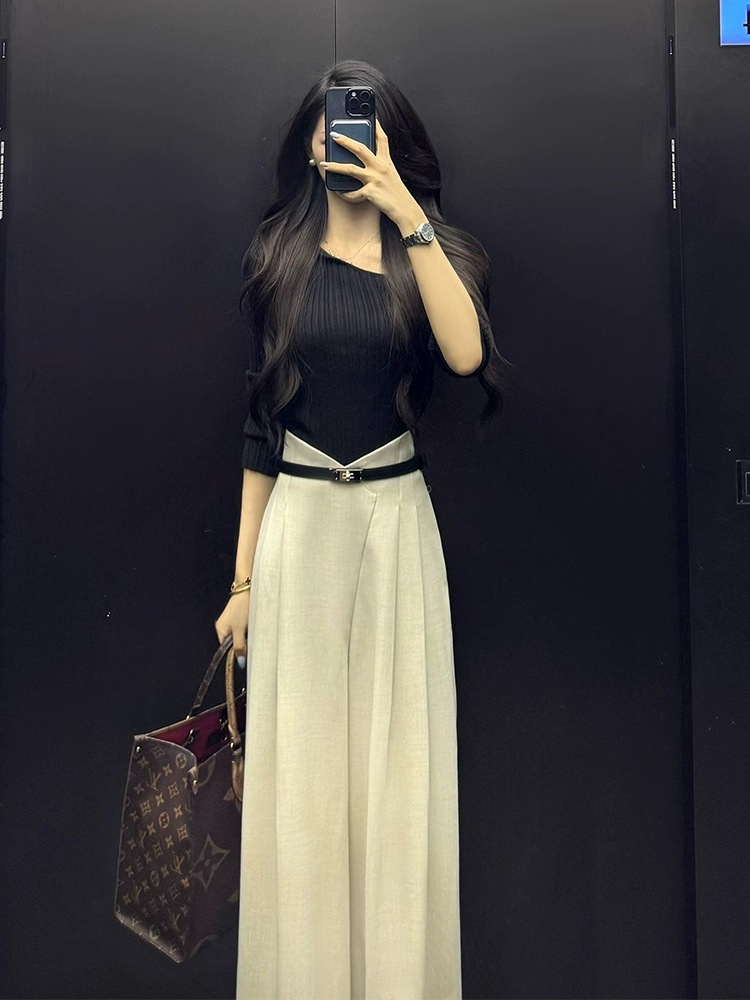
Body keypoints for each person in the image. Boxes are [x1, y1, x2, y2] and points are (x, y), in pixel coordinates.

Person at [215, 59, 508, 1000]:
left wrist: (402, 207)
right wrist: (241, 584)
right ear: (311, 146)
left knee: (399, 782)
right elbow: (260, 428)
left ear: (388, 139)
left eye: (362, 127)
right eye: (332, 129)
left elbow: (463, 353)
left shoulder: (428, 252)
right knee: (303, 789)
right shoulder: (276, 259)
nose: (343, 143)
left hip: (395, 526)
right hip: (299, 528)